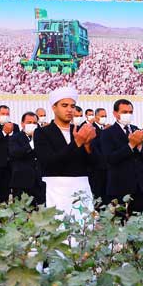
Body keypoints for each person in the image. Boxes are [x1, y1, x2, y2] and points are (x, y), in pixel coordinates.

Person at [33, 86, 97, 218]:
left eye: (72, 106)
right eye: (64, 105)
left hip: (81, 188)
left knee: (82, 231)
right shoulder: (42, 132)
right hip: (55, 190)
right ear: (54, 107)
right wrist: (76, 143)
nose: (69, 109)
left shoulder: (82, 131)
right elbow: (48, 162)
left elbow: (97, 164)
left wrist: (87, 145)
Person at [101, 99, 143, 218]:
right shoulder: (108, 133)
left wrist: (140, 146)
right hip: (119, 187)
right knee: (120, 222)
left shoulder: (136, 129)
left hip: (138, 186)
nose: (128, 114)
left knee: (137, 222)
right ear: (115, 113)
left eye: (130, 112)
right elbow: (110, 159)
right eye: (124, 112)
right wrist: (131, 145)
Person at [7, 112, 44, 208]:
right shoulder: (15, 138)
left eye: (34, 123)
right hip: (21, 182)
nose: (32, 125)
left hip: (38, 181)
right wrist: (31, 144)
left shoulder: (41, 138)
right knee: (21, 213)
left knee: (39, 213)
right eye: (29, 122)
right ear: (22, 123)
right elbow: (15, 153)